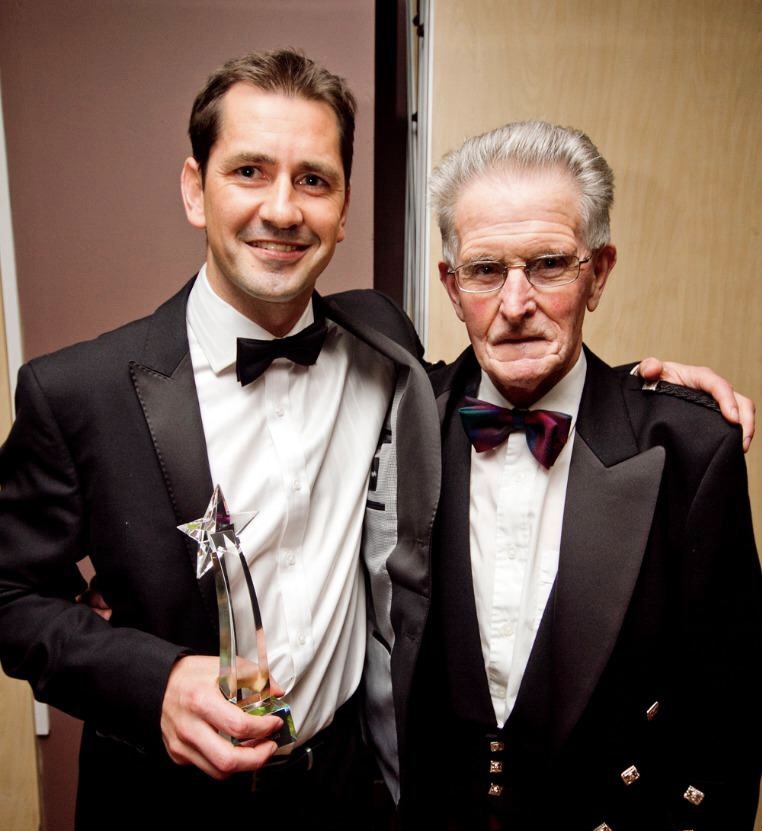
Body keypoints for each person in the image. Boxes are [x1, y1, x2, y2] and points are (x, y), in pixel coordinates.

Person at [0, 49, 753, 829]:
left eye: (313, 179)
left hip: (349, 799)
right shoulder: (78, 392)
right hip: (157, 804)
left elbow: (540, 372)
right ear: (196, 188)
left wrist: (644, 394)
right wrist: (150, 680)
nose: (283, 209)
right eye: (250, 171)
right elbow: (11, 595)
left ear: (344, 207)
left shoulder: (384, 353)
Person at [399, 121, 761, 830]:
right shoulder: (394, 420)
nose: (515, 304)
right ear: (451, 285)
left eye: (549, 264)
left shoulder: (690, 450)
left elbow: (731, 716)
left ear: (598, 273)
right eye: (485, 270)